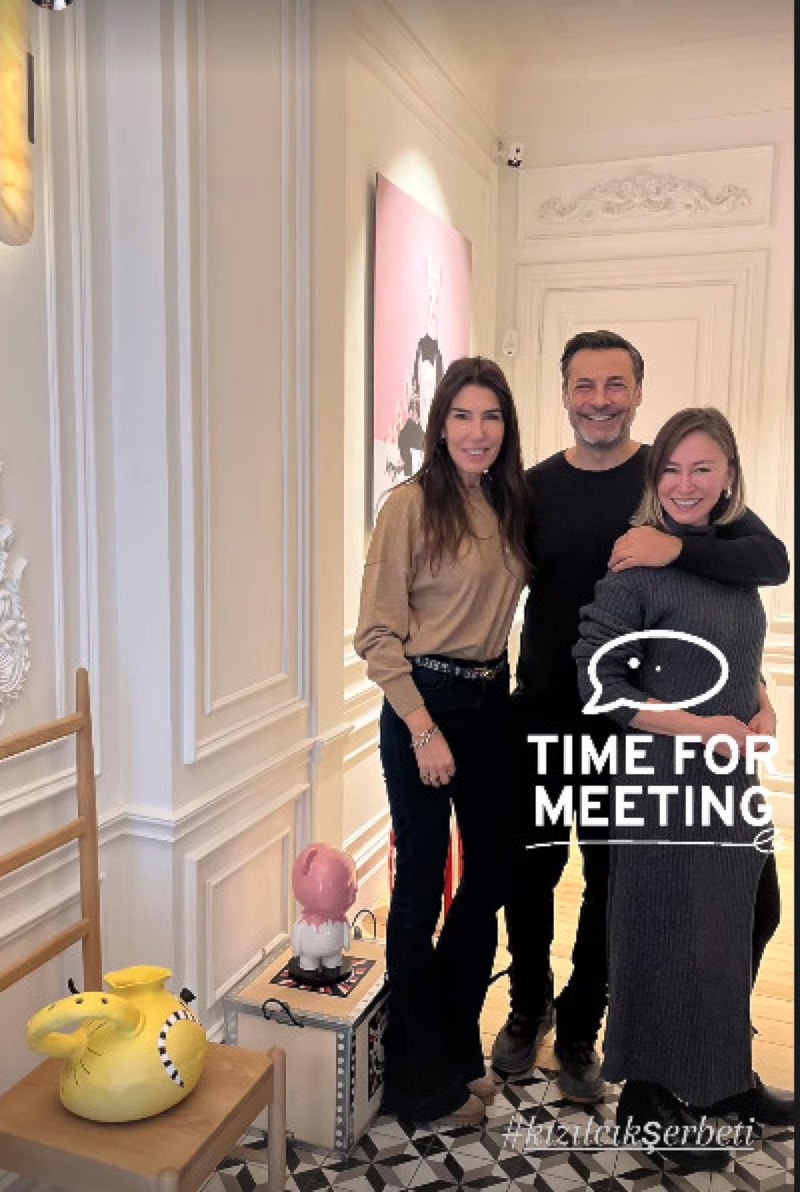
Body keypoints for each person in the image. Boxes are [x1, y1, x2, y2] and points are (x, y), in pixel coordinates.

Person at [490, 330, 789, 1105]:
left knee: (613, 883)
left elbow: (767, 562)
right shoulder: (531, 487)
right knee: (532, 872)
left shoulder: (669, 474)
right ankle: (528, 1004)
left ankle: (582, 1024)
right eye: (584, 386)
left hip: (638, 728)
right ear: (564, 394)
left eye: (615, 384)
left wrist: (672, 550)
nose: (600, 400)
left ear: (637, 393)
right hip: (547, 708)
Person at [573, 407, 793, 1170]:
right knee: (667, 929)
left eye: (702, 468)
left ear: (729, 475)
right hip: (666, 776)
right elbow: (597, 678)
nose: (685, 484)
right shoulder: (638, 563)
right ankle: (648, 1095)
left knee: (751, 914)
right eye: (670, 469)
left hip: (730, 775)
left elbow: (732, 650)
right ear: (653, 477)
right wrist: (701, 728)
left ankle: (720, 1075)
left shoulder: (730, 557)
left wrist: (760, 700)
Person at [354, 356, 528, 1126]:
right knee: (421, 885)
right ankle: (417, 1079)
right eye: (463, 415)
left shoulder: (510, 502)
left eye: (491, 416)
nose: (477, 431)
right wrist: (423, 729)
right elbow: (375, 635)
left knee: (490, 876)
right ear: (441, 424)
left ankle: (457, 1050)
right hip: (423, 703)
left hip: (492, 701)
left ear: (506, 427)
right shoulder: (410, 506)